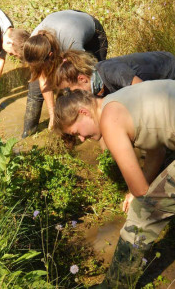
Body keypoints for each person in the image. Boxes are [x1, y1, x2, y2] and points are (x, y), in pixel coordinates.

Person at [53, 79, 175, 288]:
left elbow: (142, 193)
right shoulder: (116, 100)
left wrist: (138, 196)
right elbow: (157, 150)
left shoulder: (109, 121)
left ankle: (114, 286)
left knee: (141, 218)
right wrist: (136, 191)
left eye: (76, 133)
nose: (82, 139)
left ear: (83, 112)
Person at [22, 9, 108, 138]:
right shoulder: (34, 44)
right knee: (34, 90)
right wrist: (52, 115)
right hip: (61, 25)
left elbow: (86, 77)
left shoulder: (72, 44)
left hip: (92, 35)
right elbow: (43, 81)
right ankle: (27, 135)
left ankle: (100, 127)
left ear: (50, 56)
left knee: (90, 85)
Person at [55, 50, 175, 97]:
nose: (71, 95)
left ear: (82, 79)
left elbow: (145, 93)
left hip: (168, 70)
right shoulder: (97, 85)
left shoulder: (110, 71)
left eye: (70, 90)